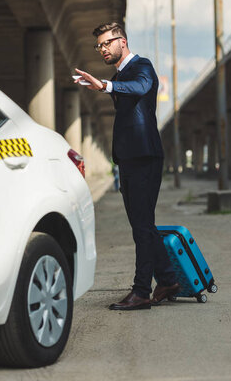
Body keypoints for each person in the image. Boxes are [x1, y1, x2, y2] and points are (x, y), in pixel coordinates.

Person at [74, 22, 180, 310]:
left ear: (123, 41)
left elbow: (141, 87)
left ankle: (142, 291)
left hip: (145, 156)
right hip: (130, 159)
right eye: (99, 46)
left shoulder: (141, 66)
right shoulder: (120, 74)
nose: (103, 49)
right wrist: (107, 85)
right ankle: (169, 280)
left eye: (107, 43)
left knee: (143, 225)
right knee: (141, 226)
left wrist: (106, 85)